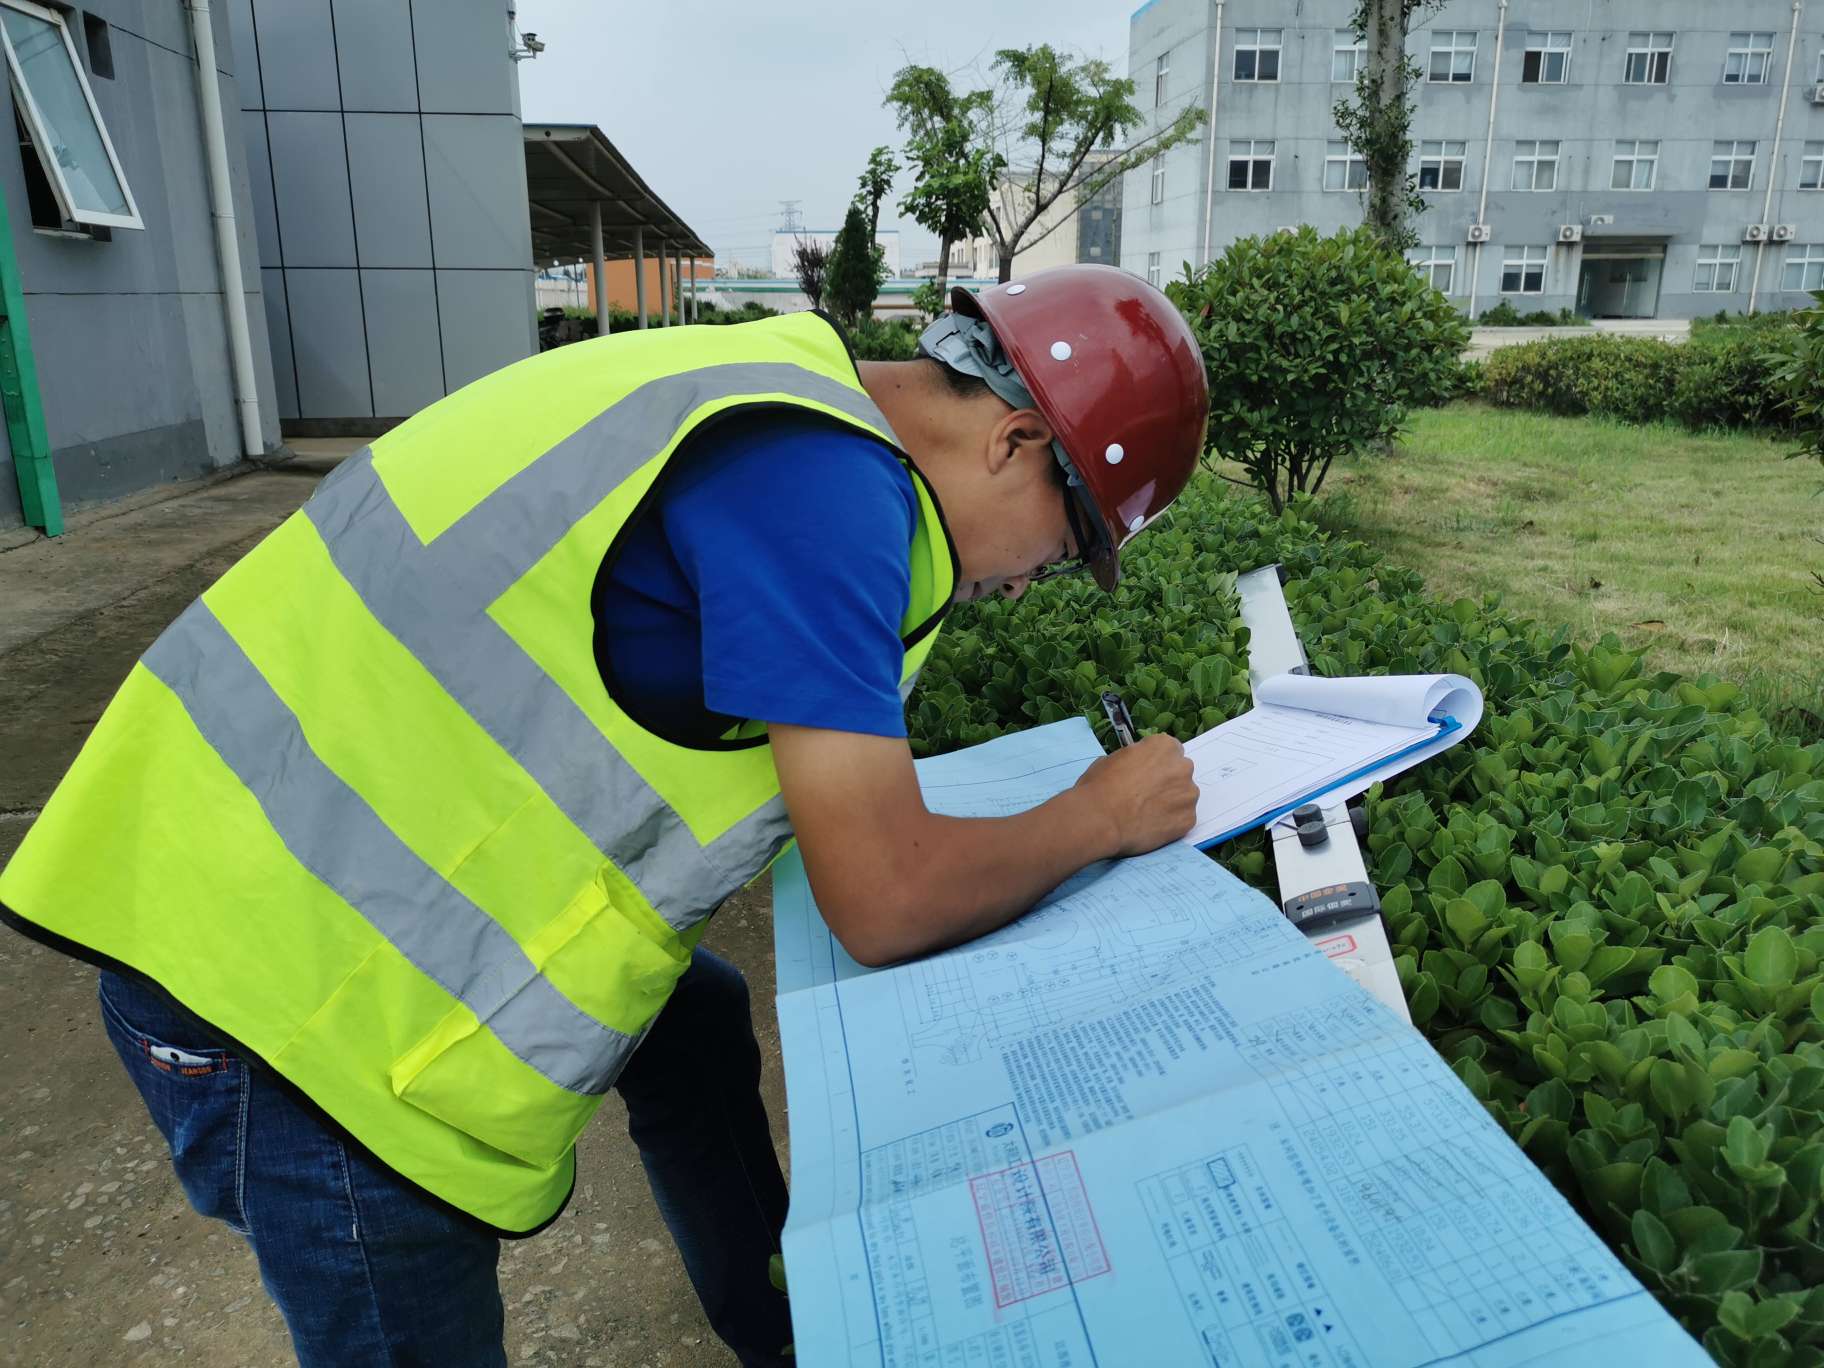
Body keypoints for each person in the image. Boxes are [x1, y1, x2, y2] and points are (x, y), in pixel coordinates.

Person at [0, 265, 1210, 1366]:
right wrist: (1099, 814)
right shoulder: (828, 489)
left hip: (273, 862)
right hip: (286, 989)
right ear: (1010, 442)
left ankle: (782, 1324)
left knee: (692, 1024)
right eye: (1060, 553)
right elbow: (884, 900)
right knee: (407, 1298)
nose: (1017, 588)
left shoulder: (786, 389)